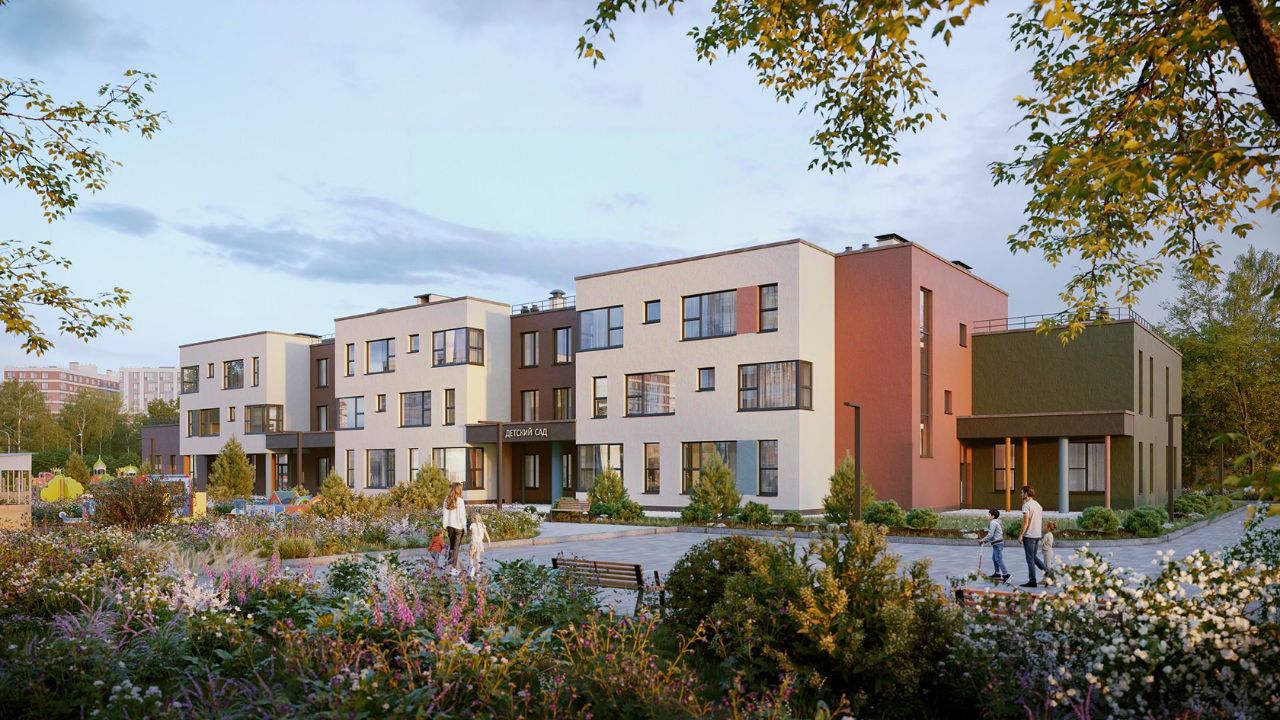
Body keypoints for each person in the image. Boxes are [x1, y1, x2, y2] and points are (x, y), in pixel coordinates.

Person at [1018, 486, 1048, 588]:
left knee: (1030, 559)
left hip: (1029, 535)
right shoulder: (1038, 505)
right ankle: (1048, 572)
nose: (1021, 494)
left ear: (1026, 494)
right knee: (1033, 557)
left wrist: (1021, 535)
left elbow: (1026, 522)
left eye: (1022, 493)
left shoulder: (1026, 506)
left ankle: (1032, 581)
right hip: (1037, 534)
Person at [978, 508, 1010, 583]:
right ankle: (997, 573)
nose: (988, 515)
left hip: (998, 543)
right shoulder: (994, 522)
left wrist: (983, 540)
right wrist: (985, 541)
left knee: (998, 558)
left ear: (993, 516)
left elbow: (990, 535)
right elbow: (991, 535)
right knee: (994, 558)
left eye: (989, 514)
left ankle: (1006, 574)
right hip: (996, 543)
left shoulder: (993, 523)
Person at [442, 482, 467, 575]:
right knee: (456, 548)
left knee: (452, 546)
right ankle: (453, 568)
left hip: (450, 526)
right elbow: (462, 515)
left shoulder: (447, 499)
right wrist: (465, 526)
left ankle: (449, 566)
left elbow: (445, 513)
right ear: (459, 490)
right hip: (459, 527)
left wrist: (444, 525)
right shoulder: (460, 501)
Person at [467, 512, 491, 579]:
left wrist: (471, 541)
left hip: (474, 542)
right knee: (478, 557)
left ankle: (472, 568)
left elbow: (472, 534)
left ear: (473, 518)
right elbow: (486, 533)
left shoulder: (472, 525)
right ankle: (477, 572)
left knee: (471, 556)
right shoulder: (482, 525)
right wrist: (488, 540)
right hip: (480, 543)